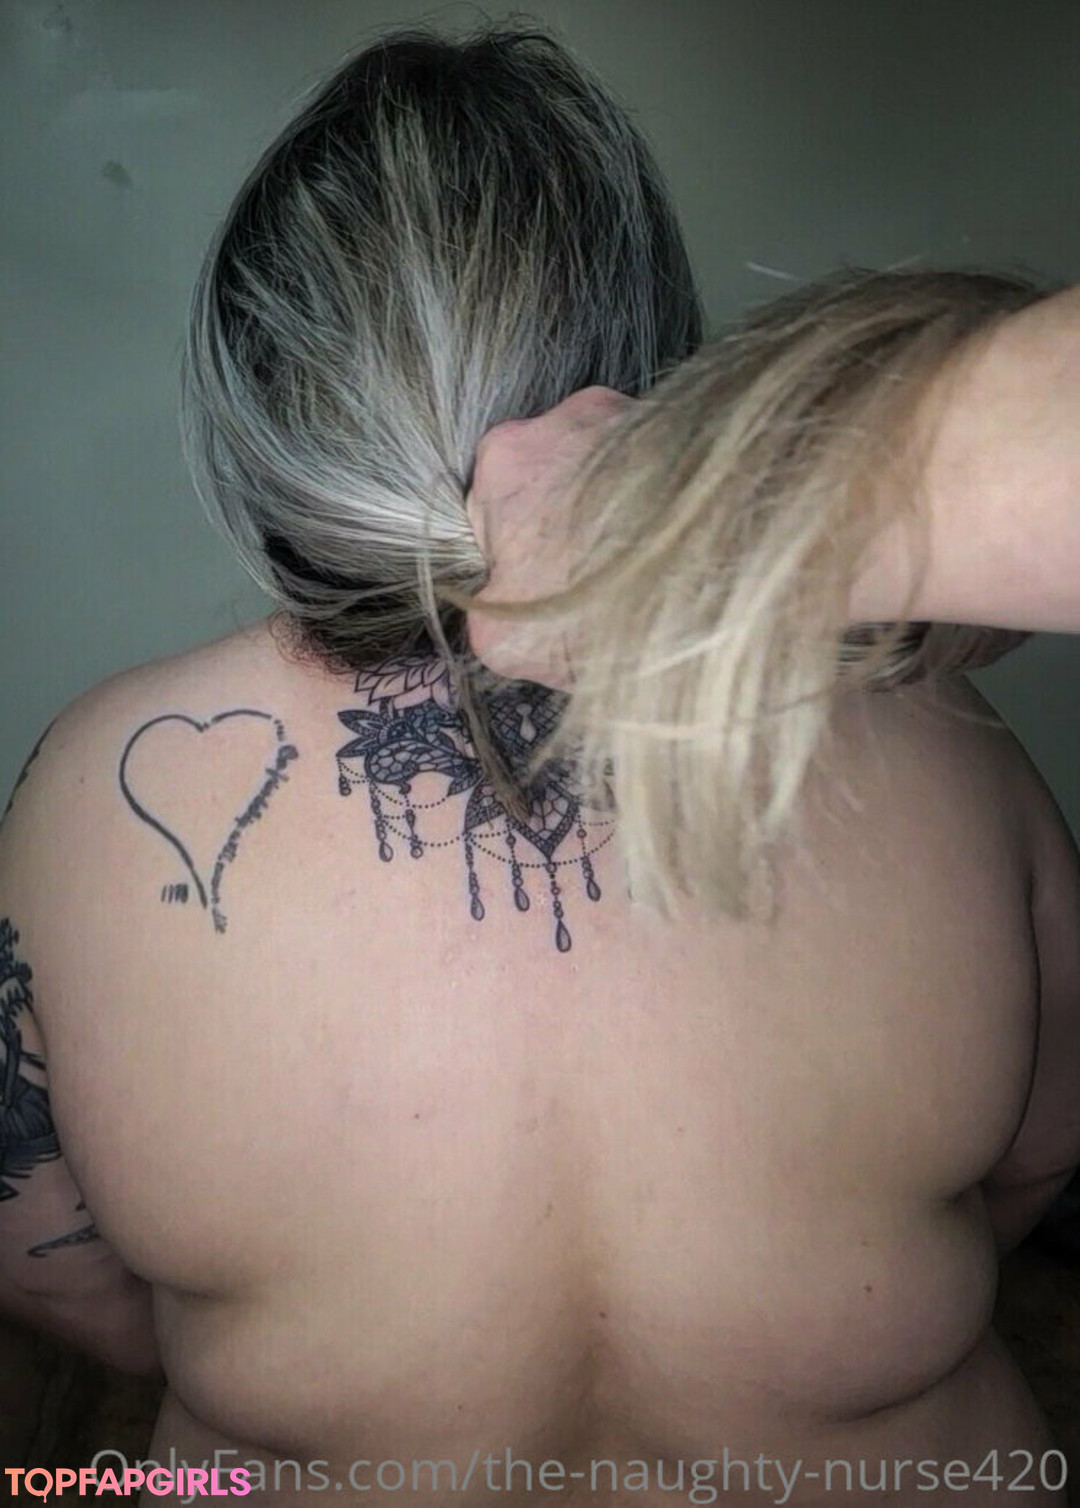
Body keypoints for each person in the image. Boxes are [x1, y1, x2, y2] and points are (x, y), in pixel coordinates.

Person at [0, 23, 1077, 1508]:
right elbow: (1037, 1162)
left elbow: (55, 1273)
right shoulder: (944, 733)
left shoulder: (84, 793)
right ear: (654, 373)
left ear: (271, 404)